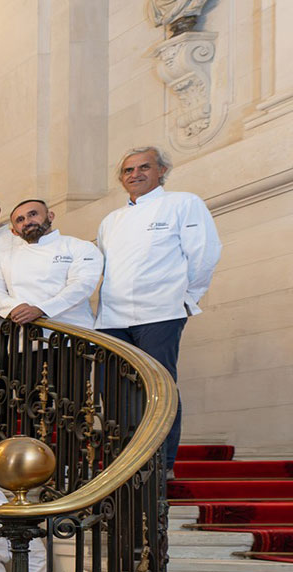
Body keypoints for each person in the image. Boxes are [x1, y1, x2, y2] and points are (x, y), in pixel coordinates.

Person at [96, 146, 221, 470]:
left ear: (161, 170)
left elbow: (204, 254)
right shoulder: (111, 220)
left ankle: (162, 463)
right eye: (128, 170)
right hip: (112, 316)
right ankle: (122, 461)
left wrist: (186, 297)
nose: (135, 174)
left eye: (143, 167)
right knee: (114, 391)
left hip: (161, 311)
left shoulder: (183, 203)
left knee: (159, 387)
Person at [0, 199, 103, 329]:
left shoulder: (80, 247)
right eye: (20, 220)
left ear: (50, 216)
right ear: (14, 231)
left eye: (33, 214)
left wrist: (41, 309)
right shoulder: (2, 258)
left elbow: (81, 286)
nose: (27, 222)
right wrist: (15, 307)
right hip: (25, 339)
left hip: (74, 334)